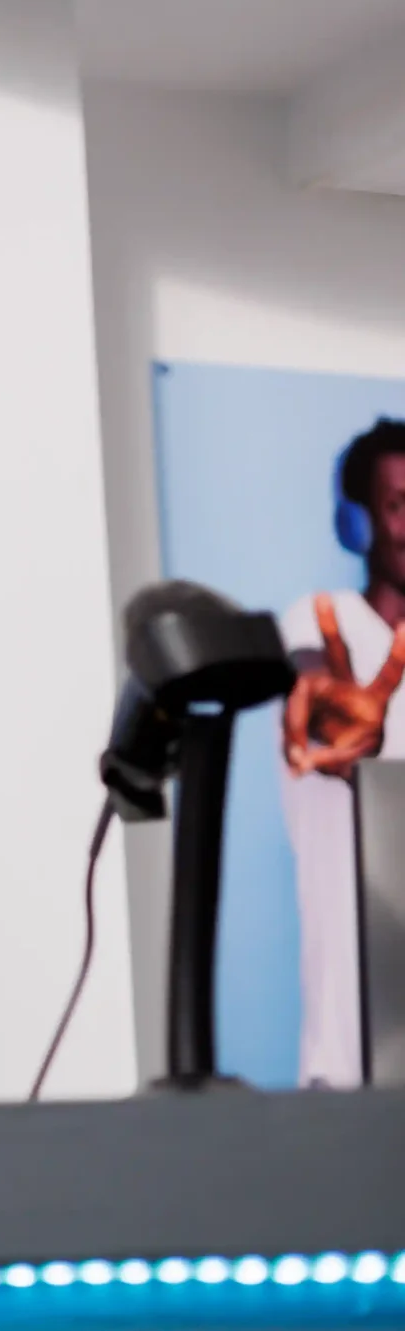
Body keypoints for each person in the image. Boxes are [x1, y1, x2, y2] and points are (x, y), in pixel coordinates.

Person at [277, 417, 405, 1088]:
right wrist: (339, 725)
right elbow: (317, 701)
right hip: (349, 1050)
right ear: (357, 524)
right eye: (398, 504)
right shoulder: (316, 622)